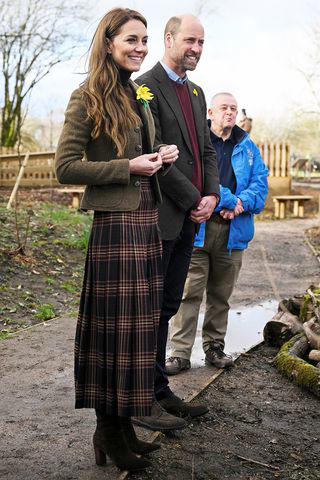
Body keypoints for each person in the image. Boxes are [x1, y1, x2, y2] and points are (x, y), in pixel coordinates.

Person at [55, 8, 179, 472]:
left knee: (137, 330)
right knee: (114, 331)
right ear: (108, 43)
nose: (141, 47)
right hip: (115, 226)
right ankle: (107, 429)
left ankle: (121, 424)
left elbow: (138, 155)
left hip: (146, 219)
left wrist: (160, 157)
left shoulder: (136, 95)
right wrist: (126, 167)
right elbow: (65, 167)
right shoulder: (86, 96)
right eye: (132, 39)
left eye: (145, 40)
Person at [134, 14, 220, 431]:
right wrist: (192, 200)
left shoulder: (198, 91)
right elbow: (152, 154)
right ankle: (143, 395)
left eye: (202, 42)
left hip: (190, 220)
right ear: (169, 39)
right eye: (190, 40)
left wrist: (213, 195)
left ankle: (159, 388)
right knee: (150, 309)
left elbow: (206, 150)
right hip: (161, 217)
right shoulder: (143, 87)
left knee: (169, 304)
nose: (197, 49)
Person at [166, 92, 269, 374]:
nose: (230, 113)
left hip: (233, 232)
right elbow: (194, 182)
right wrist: (228, 200)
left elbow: (261, 187)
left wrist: (241, 204)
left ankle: (214, 347)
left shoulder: (248, 147)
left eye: (234, 109)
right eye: (224, 108)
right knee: (189, 293)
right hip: (198, 229)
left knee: (221, 296)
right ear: (210, 112)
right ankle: (180, 353)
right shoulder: (198, 144)